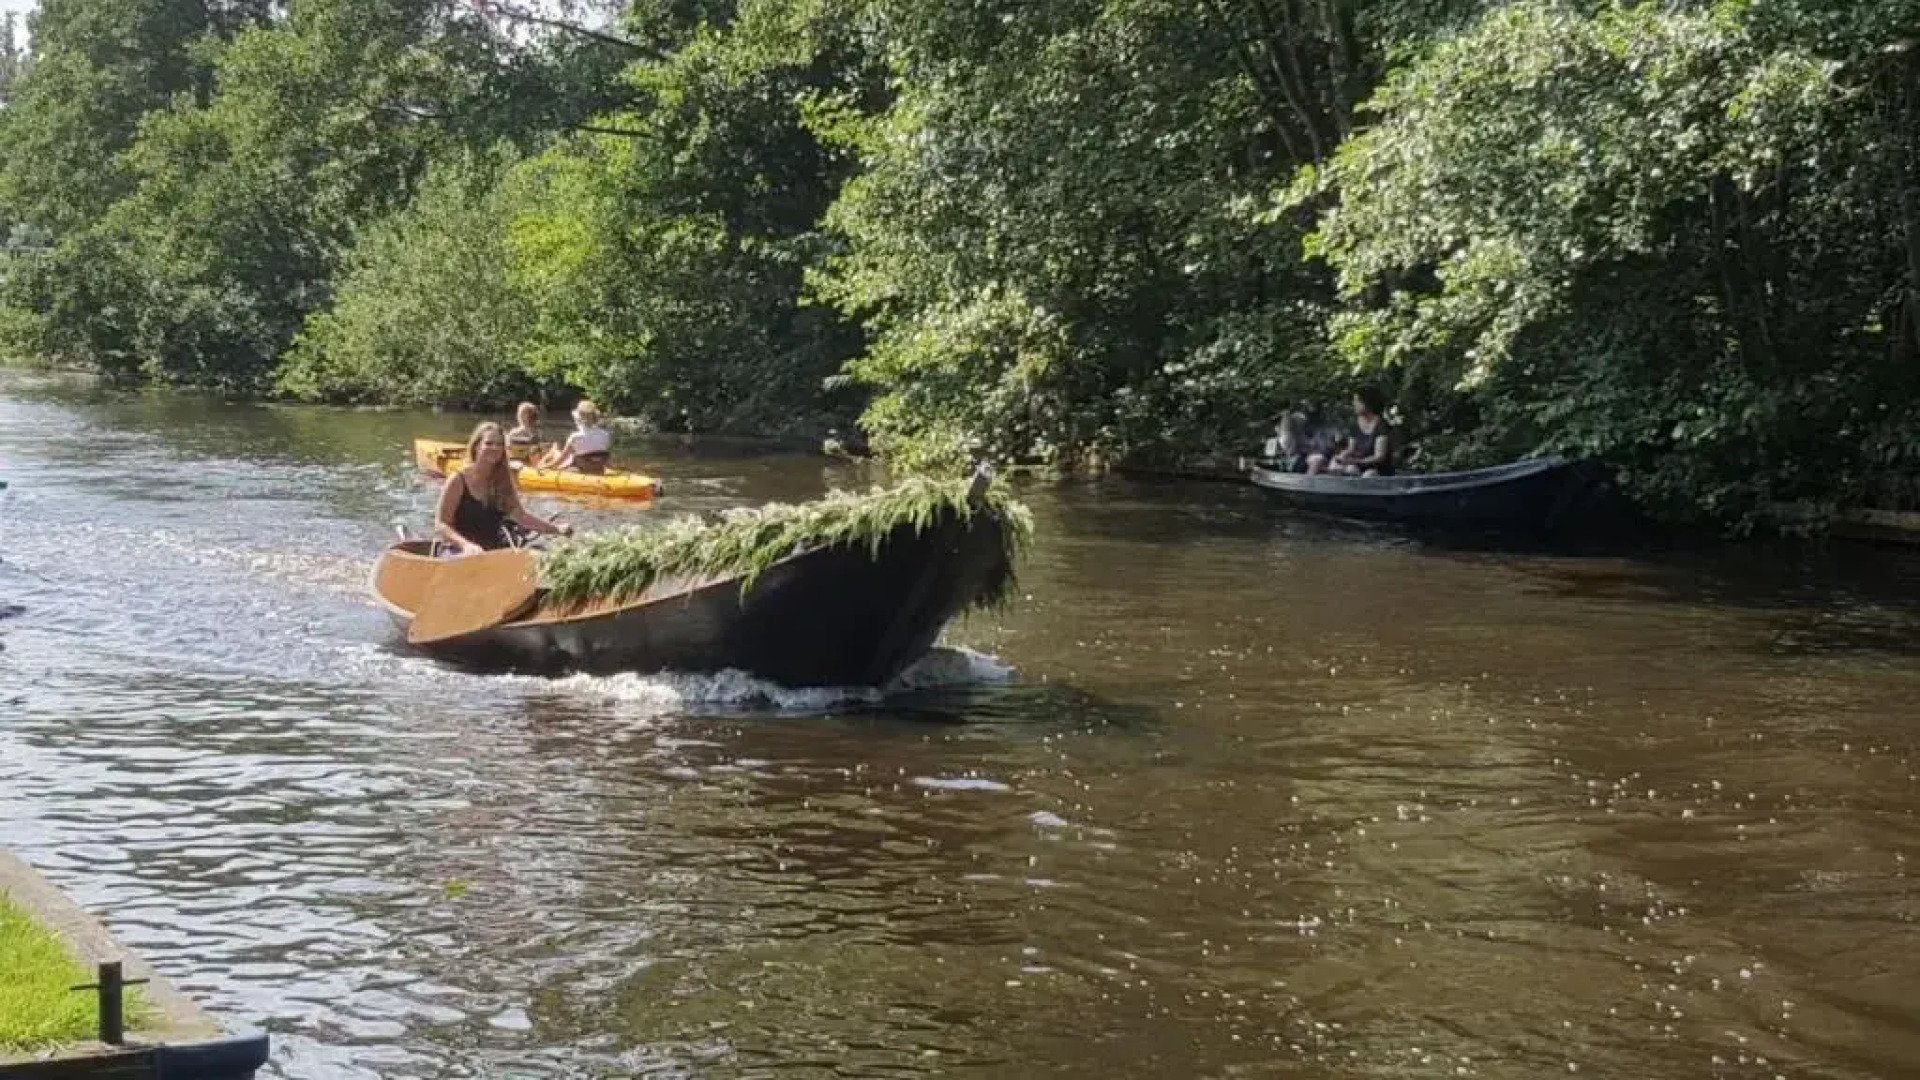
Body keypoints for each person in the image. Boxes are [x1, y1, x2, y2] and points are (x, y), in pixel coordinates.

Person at [435, 422, 573, 555]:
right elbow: (441, 524)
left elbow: (522, 517)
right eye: (489, 443)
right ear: (476, 446)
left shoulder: (502, 481)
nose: (495, 448)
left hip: (493, 552)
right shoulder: (458, 480)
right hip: (457, 551)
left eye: (499, 444)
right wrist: (466, 545)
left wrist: (557, 529)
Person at [1315, 387, 1394, 476]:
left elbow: (1379, 457)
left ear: (1367, 403)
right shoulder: (1355, 424)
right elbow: (1351, 449)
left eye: (1357, 401)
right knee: (1347, 468)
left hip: (1378, 468)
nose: (1354, 404)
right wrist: (1342, 456)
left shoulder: (1381, 425)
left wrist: (1356, 461)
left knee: (1369, 474)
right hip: (1360, 465)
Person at [545, 400, 613, 474]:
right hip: (599, 469)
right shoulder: (605, 434)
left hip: (580, 470)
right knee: (560, 451)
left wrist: (548, 466)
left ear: (578, 419)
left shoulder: (575, 436)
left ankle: (537, 469)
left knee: (554, 450)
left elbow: (561, 459)